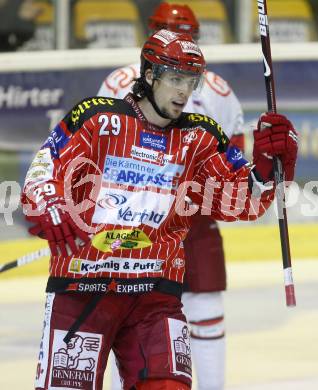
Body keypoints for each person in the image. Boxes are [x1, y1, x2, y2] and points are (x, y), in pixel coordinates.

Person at [21, 29, 297, 390]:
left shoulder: (201, 137)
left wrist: (266, 167)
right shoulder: (96, 118)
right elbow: (42, 172)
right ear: (149, 75)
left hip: (156, 296)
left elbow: (241, 201)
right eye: (176, 79)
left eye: (191, 81)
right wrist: (48, 203)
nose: (185, 91)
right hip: (83, 288)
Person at [97, 3, 244, 389]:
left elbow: (236, 166)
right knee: (124, 311)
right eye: (167, 32)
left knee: (205, 308)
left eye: (185, 34)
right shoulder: (119, 83)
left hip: (192, 220)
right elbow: (99, 149)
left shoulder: (216, 89)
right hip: (133, 218)